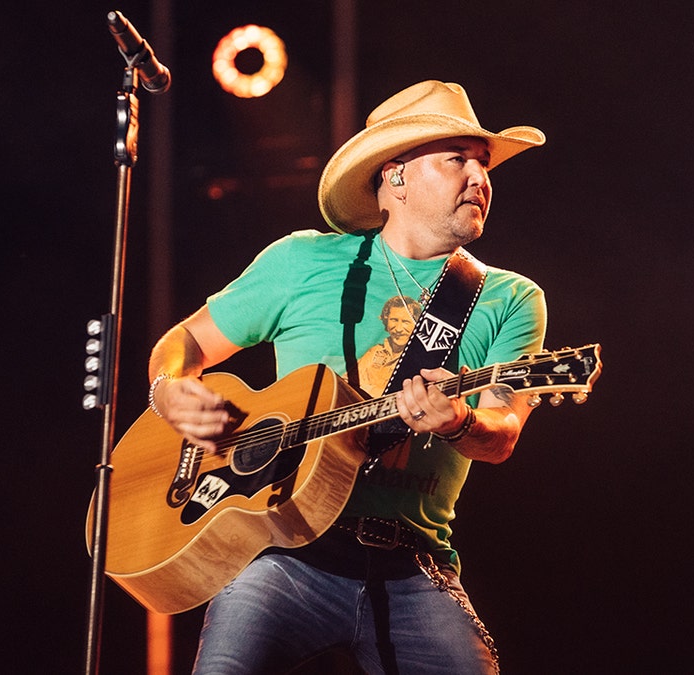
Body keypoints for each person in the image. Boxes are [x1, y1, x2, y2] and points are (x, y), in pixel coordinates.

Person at [147, 80, 548, 674]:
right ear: (396, 178)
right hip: (281, 552)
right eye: (457, 159)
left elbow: (504, 430)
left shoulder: (509, 298)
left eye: (483, 163)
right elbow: (182, 343)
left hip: (413, 565)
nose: (479, 177)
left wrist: (461, 420)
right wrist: (169, 389)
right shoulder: (302, 260)